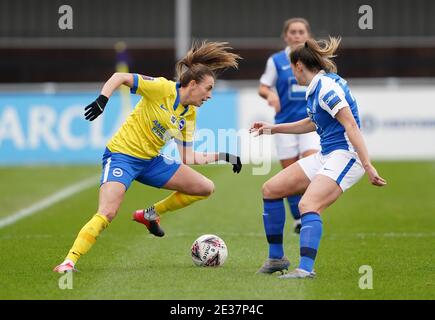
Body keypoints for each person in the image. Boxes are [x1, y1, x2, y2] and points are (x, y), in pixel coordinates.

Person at [53, 41, 242, 273]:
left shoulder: (189, 114)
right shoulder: (161, 88)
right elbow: (119, 77)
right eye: (209, 88)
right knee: (108, 212)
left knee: (205, 187)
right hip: (122, 156)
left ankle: (150, 215)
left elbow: (188, 156)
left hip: (151, 161)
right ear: (193, 84)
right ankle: (69, 262)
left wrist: (225, 155)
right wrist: (103, 99)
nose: (210, 95)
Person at [250, 36, 386, 278]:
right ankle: (276, 258)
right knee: (271, 189)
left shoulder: (326, 88)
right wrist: (273, 128)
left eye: (293, 69)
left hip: (346, 156)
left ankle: (305, 269)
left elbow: (351, 126)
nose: (293, 73)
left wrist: (368, 165)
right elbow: (313, 122)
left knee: (307, 205)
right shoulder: (316, 87)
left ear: (298, 66)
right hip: (327, 154)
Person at [259, 18, 320, 235]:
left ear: (308, 35)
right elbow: (263, 87)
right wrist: (271, 94)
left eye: (301, 31)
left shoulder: (315, 59)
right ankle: (298, 219)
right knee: (291, 173)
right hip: (285, 125)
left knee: (310, 168)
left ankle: (309, 212)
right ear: (286, 36)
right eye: (292, 32)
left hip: (310, 124)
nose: (297, 35)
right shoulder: (276, 61)